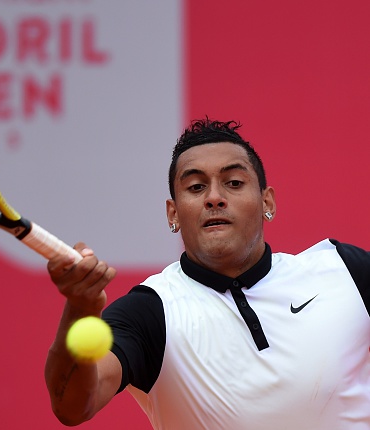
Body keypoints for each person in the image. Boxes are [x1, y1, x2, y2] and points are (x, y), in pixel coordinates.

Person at [44, 118, 370, 430]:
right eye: (196, 187)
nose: (214, 198)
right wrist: (80, 308)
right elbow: (73, 406)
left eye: (234, 183)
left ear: (266, 202)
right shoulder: (151, 311)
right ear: (173, 214)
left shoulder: (344, 270)